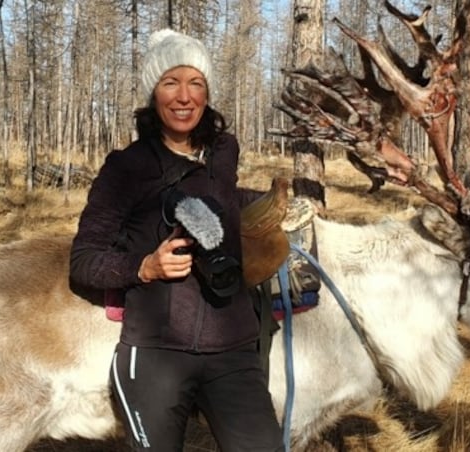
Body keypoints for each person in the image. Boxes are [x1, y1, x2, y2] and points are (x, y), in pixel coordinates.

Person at [69, 29, 284, 452]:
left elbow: (222, 198)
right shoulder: (126, 168)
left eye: (196, 83)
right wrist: (143, 267)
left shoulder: (224, 151)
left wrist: (276, 202)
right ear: (154, 93)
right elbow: (84, 259)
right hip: (156, 353)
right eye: (171, 82)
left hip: (234, 349)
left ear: (207, 94)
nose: (184, 96)